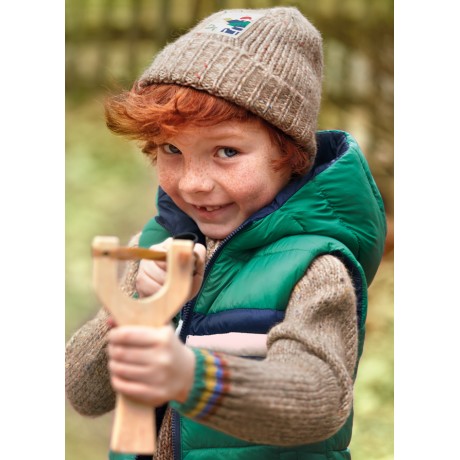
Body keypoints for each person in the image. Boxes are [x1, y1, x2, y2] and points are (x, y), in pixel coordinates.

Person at [65, 6, 387, 460]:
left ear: (290, 154)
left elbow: (319, 400)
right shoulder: (158, 248)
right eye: (171, 149)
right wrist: (138, 309)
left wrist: (190, 378)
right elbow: (83, 392)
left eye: (227, 151)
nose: (194, 182)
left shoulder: (315, 268)